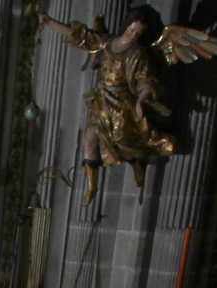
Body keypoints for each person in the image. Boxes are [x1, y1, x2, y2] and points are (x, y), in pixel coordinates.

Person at [40, 5, 173, 205]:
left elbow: (146, 81)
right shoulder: (107, 42)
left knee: (124, 145)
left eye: (138, 33)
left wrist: (142, 100)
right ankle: (92, 187)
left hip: (122, 106)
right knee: (89, 142)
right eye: (132, 29)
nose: (133, 34)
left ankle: (136, 163)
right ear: (126, 25)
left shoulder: (137, 54)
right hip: (102, 103)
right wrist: (49, 22)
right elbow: (79, 36)